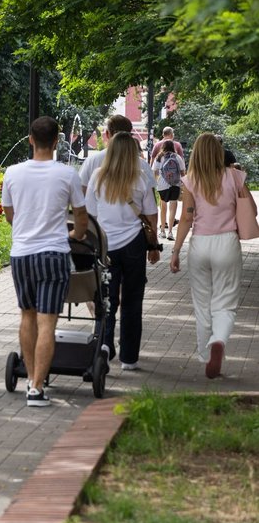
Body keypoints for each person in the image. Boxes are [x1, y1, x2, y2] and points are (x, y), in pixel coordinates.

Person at [1, 116, 88, 407]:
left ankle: (30, 378)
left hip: (22, 254)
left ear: (29, 140)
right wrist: (74, 233)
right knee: (47, 322)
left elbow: (10, 214)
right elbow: (82, 220)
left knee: (27, 316)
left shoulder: (12, 173)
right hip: (54, 254)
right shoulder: (67, 175)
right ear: (56, 142)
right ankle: (37, 387)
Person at [170, 133, 252, 379]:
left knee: (202, 303)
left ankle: (206, 355)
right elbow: (252, 210)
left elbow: (186, 217)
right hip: (227, 242)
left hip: (200, 244)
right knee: (225, 302)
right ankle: (219, 341)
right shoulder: (234, 176)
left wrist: (175, 251)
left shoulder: (191, 180)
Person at [85, 132, 161, 371]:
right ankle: (129, 358)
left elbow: (90, 214)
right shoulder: (140, 178)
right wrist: (153, 244)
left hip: (105, 246)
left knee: (106, 300)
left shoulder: (97, 177)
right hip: (134, 246)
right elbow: (151, 214)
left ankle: (105, 346)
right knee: (132, 300)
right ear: (132, 153)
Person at [80, 115, 156, 194]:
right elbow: (151, 200)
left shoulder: (92, 161)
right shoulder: (142, 165)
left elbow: (81, 194)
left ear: (107, 134)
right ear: (129, 135)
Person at [151, 140, 186, 240]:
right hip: (175, 184)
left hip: (162, 185)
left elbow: (155, 171)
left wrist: (156, 181)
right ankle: (170, 232)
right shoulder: (177, 157)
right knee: (173, 207)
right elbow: (183, 172)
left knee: (163, 207)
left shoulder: (159, 156)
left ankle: (162, 231)